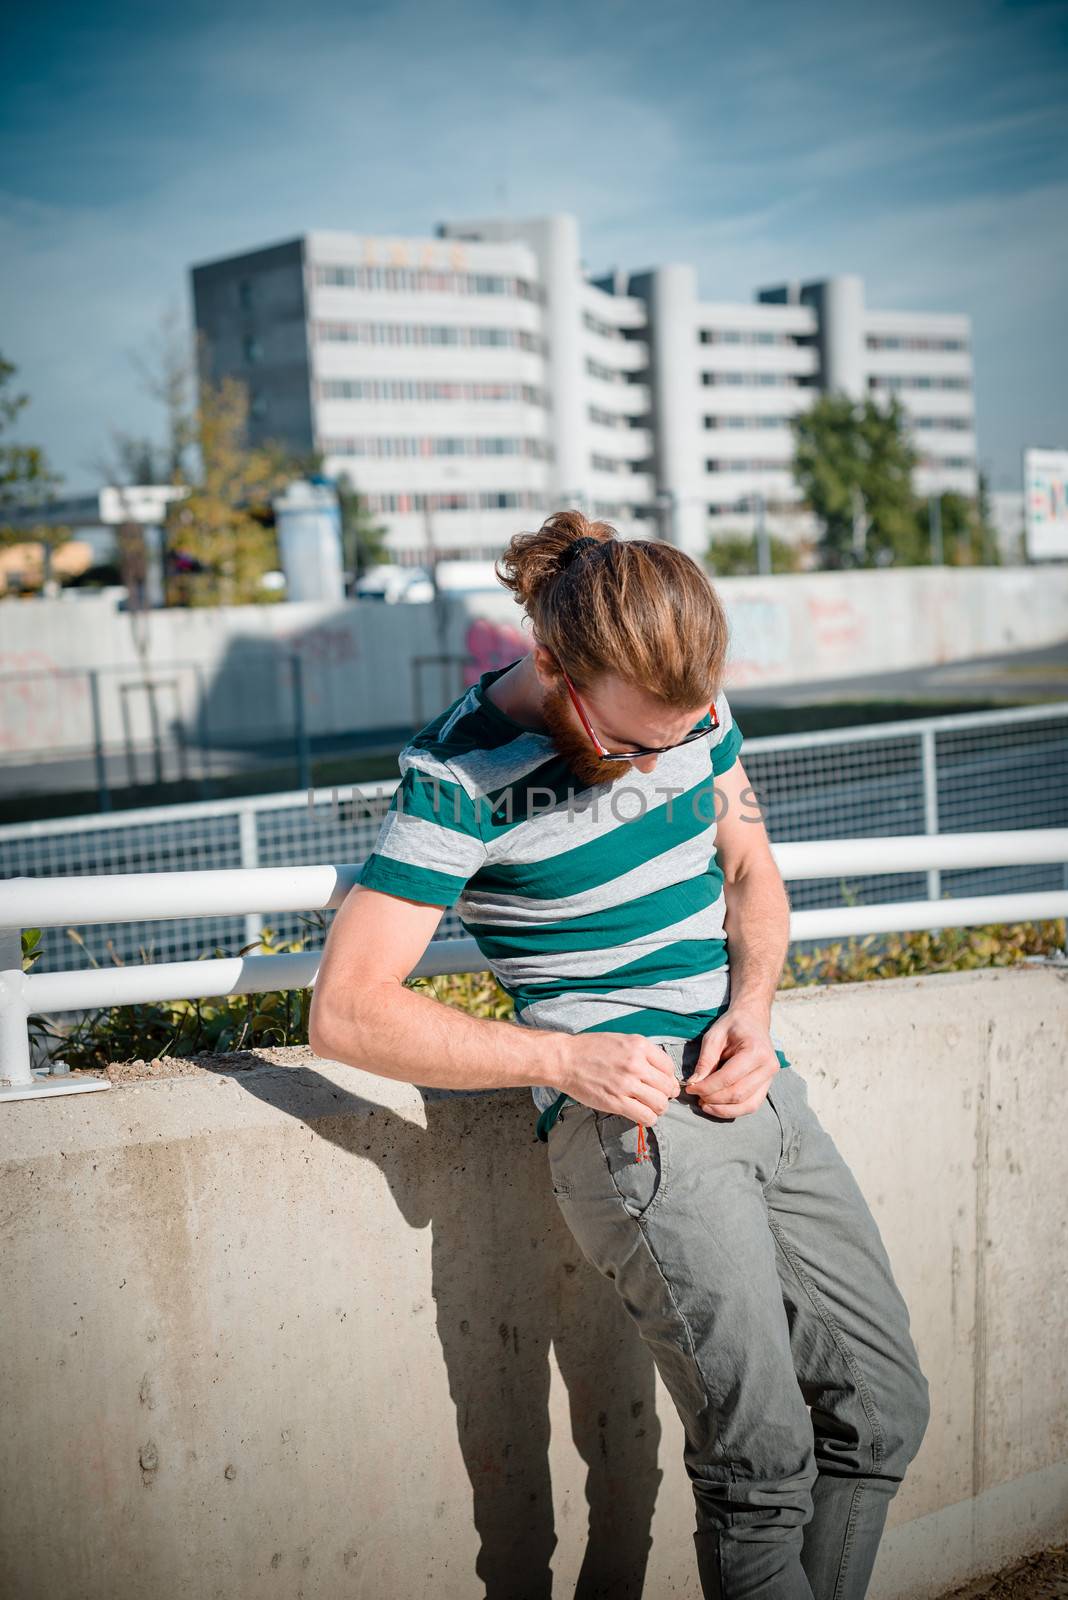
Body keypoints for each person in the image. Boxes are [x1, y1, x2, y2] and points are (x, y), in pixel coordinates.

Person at [309, 509, 931, 1599]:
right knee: (762, 1465)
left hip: (759, 1086)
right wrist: (563, 1061)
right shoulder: (457, 775)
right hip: (639, 1135)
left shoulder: (692, 705)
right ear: (554, 665)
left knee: (883, 1410)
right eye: (637, 743)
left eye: (684, 734)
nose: (664, 757)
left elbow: (751, 875)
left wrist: (755, 1003)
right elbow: (349, 1010)